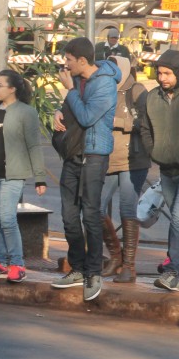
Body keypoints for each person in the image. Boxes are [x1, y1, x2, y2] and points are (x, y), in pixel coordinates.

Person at [50, 37, 120, 301]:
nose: (65, 65)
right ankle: (77, 268)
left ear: (81, 60)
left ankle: (93, 272)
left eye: (68, 59)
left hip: (94, 154)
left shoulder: (104, 83)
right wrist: (58, 111)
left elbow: (89, 117)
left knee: (90, 215)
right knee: (69, 216)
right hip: (72, 154)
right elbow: (72, 107)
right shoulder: (77, 80)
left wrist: (68, 91)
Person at [0, 69, 46, 284]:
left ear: (13, 88)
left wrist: (40, 177)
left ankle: (17, 264)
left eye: (0, 85)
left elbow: (34, 145)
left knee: (7, 219)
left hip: (13, 174)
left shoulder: (26, 112)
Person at [98, 56, 151, 283]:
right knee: (96, 208)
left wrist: (119, 122)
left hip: (133, 160)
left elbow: (147, 124)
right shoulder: (104, 89)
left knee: (127, 210)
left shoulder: (137, 90)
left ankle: (129, 265)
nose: (110, 73)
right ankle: (115, 257)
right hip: (108, 159)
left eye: (114, 68)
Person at [139, 49, 179, 292]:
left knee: (178, 218)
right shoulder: (152, 98)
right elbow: (145, 129)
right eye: (159, 73)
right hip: (167, 169)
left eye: (168, 73)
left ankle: (173, 271)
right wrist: (153, 151)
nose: (162, 77)